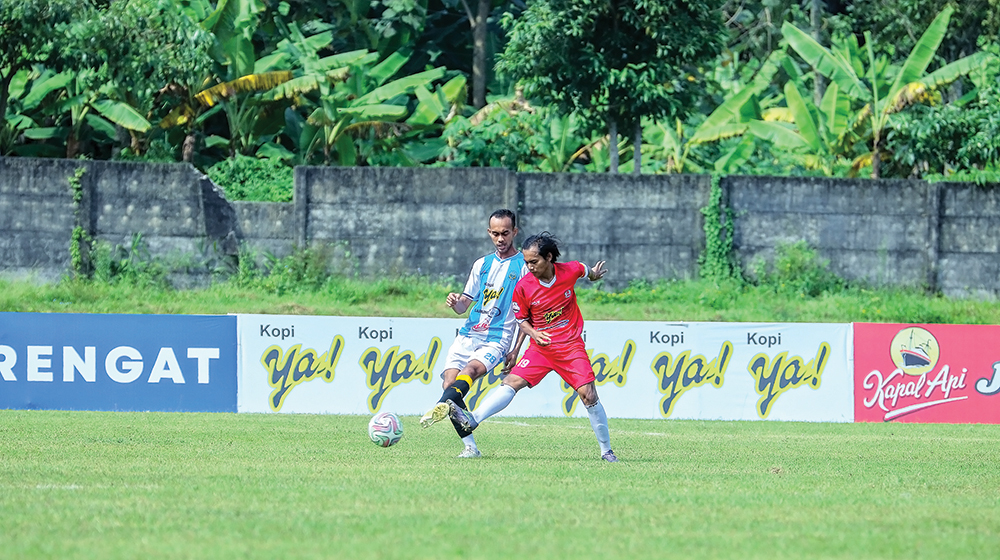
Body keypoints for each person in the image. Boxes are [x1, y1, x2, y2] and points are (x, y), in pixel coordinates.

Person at [449, 232, 619, 462]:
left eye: (534, 261)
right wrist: (534, 333)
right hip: (541, 349)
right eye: (526, 262)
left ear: (549, 257)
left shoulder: (569, 270)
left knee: (588, 395)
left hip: (570, 347)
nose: (529, 267)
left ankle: (606, 451)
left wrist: (594, 275)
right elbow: (521, 320)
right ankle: (473, 419)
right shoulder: (524, 287)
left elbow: (584, 269)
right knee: (511, 382)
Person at [419, 208, 528, 458]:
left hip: (498, 337)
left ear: (515, 232)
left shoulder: (524, 265)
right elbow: (463, 306)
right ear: (489, 233)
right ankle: (471, 447)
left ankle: (439, 405)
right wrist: (455, 301)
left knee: (469, 372)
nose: (500, 239)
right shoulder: (481, 264)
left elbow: (527, 314)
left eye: (505, 233)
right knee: (450, 385)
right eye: (495, 234)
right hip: (469, 333)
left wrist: (516, 349)